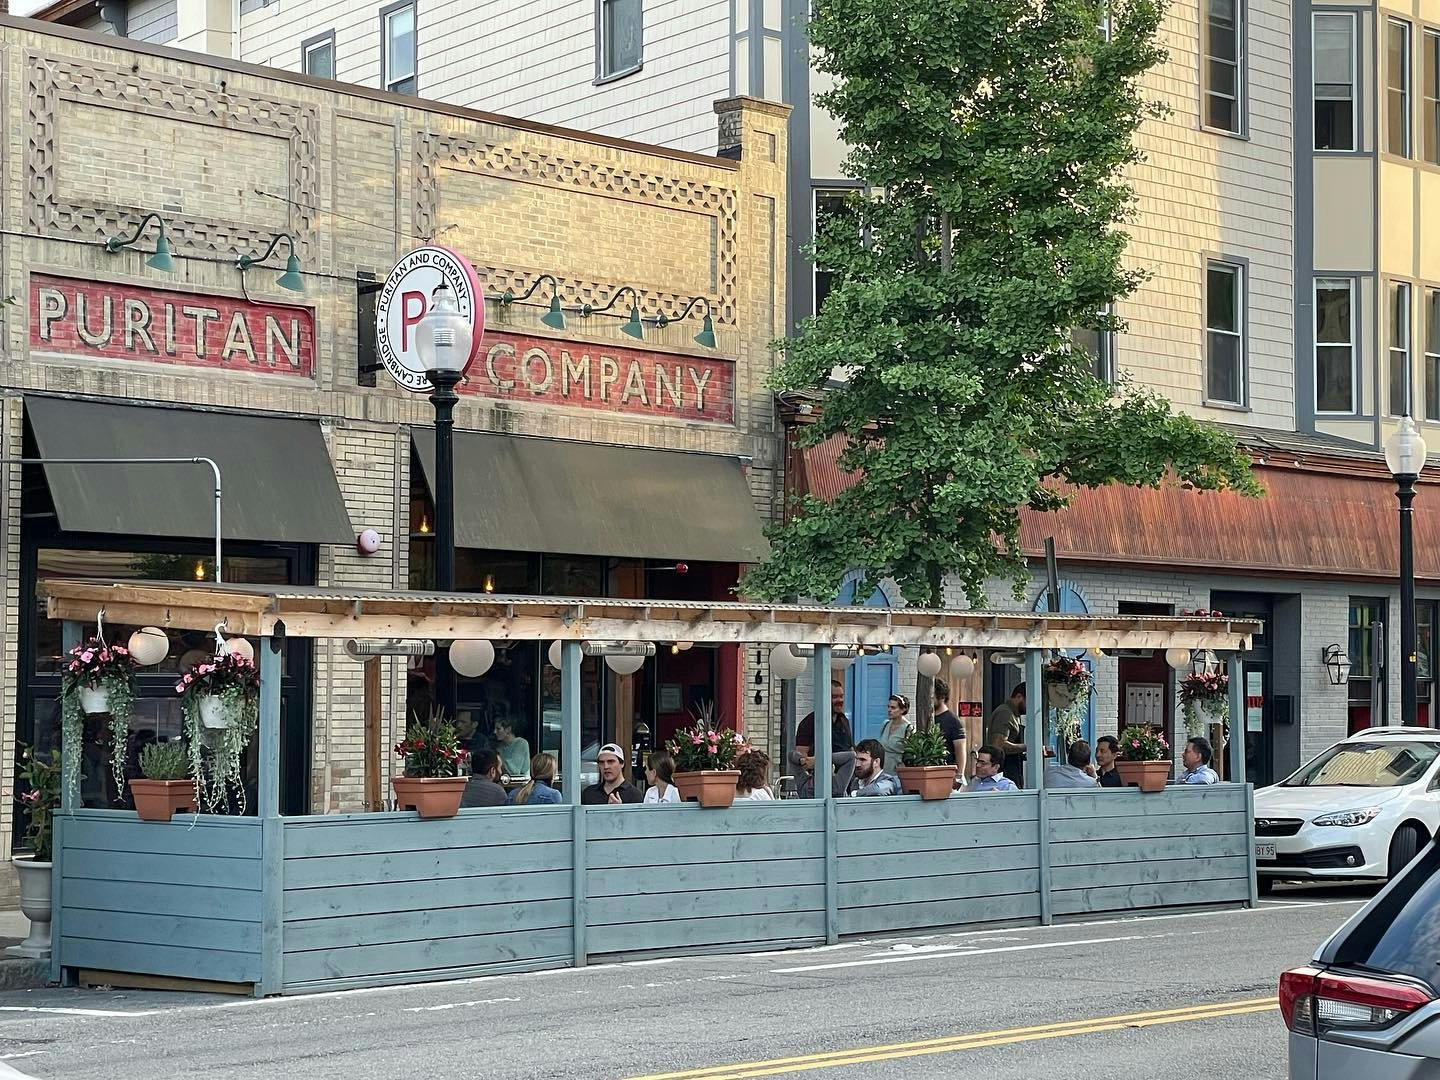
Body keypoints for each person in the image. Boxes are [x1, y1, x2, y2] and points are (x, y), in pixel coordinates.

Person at [793, 679, 856, 797]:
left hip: (843, 782)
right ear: (824, 698)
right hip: (819, 785)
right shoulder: (809, 723)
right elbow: (802, 757)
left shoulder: (844, 721)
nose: (840, 700)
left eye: (841, 696)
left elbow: (850, 749)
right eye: (835, 697)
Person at [986, 682, 1032, 785]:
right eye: (1029, 701)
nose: (1030, 706)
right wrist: (1028, 747)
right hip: (1005, 774)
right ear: (1019, 696)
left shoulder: (1014, 714)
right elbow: (998, 745)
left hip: (1012, 771)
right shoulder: (1005, 713)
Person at [932, 682, 967, 771]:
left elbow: (960, 749)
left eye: (932, 696)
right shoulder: (928, 719)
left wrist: (960, 774)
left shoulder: (953, 721)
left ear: (942, 697)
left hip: (947, 770)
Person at [876, 694, 914, 770]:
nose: (889, 710)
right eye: (888, 707)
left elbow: (911, 752)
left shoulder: (908, 728)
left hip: (897, 770)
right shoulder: (885, 724)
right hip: (883, 769)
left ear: (902, 710)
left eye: (893, 708)